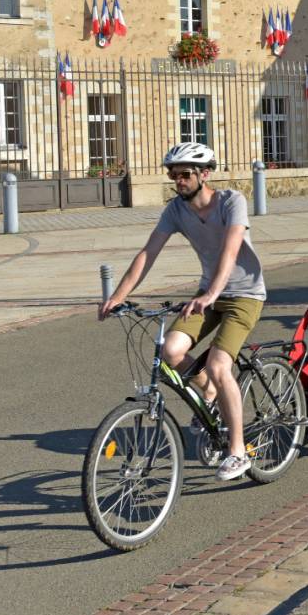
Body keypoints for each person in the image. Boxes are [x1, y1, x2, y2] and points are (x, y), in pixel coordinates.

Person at [99, 142, 266, 482]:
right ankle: (210, 395)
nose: (179, 181)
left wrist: (213, 293)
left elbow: (231, 249)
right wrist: (117, 296)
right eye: (173, 175)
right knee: (170, 350)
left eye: (185, 175)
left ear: (205, 175)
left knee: (220, 365)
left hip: (244, 294)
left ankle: (237, 451)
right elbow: (149, 253)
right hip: (207, 294)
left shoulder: (232, 202)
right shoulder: (175, 210)